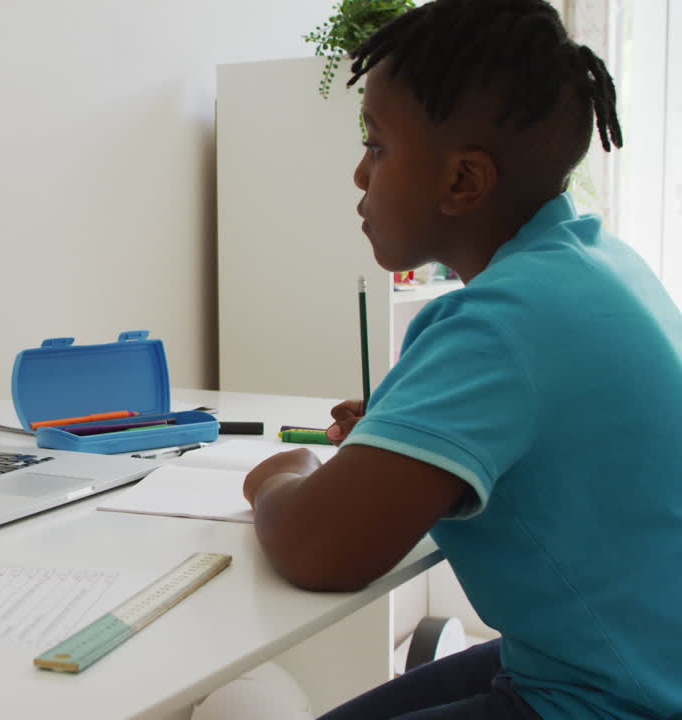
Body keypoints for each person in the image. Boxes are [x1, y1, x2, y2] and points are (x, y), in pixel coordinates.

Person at [240, 1, 682, 718]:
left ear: (462, 183)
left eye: (376, 147)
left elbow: (320, 549)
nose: (359, 174)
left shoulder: (500, 320)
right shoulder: (594, 264)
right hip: (625, 659)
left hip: (617, 699)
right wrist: (400, 439)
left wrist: (278, 477)